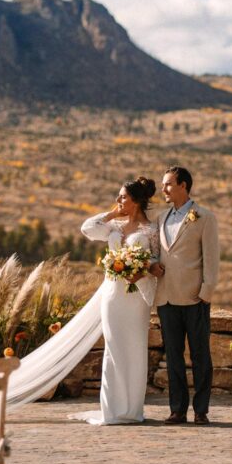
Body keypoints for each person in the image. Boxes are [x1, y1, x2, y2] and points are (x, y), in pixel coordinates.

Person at [72, 176, 159, 424]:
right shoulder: (113, 227)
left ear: (136, 201)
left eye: (122, 197)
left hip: (136, 296)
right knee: (113, 348)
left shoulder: (152, 230)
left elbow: (155, 260)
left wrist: (141, 271)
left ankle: (132, 410)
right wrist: (112, 213)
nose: (118, 200)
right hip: (112, 294)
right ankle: (111, 410)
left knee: (134, 349)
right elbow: (87, 228)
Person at [150, 165, 220, 425]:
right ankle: (177, 410)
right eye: (162, 183)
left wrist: (206, 292)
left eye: (168, 184)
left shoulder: (204, 217)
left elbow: (212, 259)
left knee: (201, 355)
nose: (163, 189)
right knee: (174, 357)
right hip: (166, 297)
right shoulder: (161, 217)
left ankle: (201, 410)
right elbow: (157, 251)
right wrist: (152, 265)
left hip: (194, 298)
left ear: (183, 186)